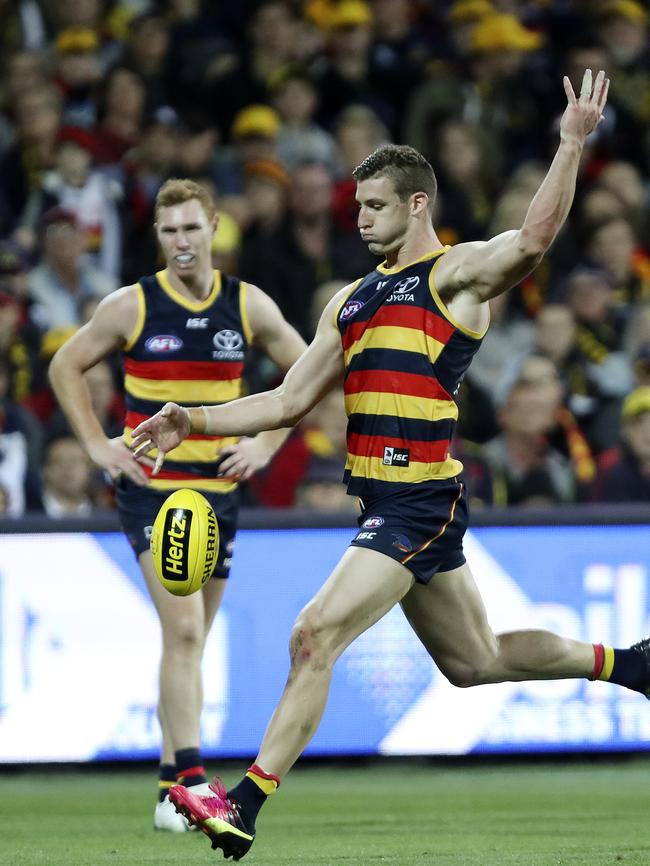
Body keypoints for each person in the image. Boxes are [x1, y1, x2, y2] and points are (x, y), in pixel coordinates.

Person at [132, 72, 648, 861]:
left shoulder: (455, 276)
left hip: (416, 498)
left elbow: (534, 239)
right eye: (357, 204)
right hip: (390, 499)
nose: (360, 216)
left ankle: (244, 803)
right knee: (475, 663)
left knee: (313, 635)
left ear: (415, 204)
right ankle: (629, 663)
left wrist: (570, 143)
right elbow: (282, 402)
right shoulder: (352, 300)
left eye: (374, 204)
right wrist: (190, 419)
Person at [48, 178, 306, 832]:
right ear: (157, 236)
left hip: (218, 495)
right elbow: (63, 367)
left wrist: (266, 445)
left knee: (189, 639)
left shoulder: (247, 306)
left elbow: (305, 372)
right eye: (169, 231)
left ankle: (168, 788)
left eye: (192, 228)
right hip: (153, 493)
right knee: (185, 632)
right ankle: (191, 783)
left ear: (214, 226)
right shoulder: (131, 306)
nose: (182, 242)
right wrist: (99, 448)